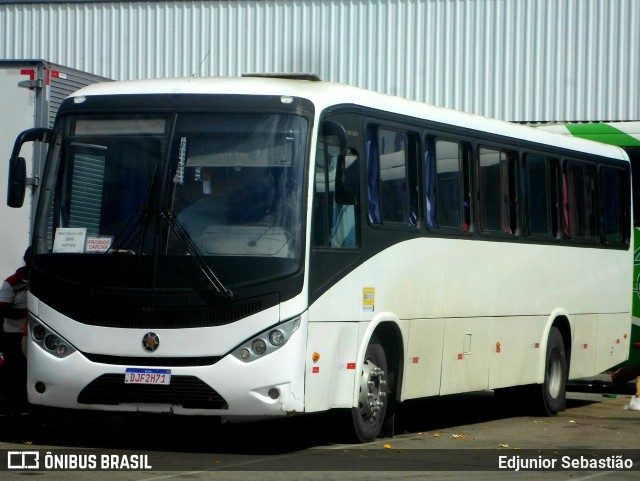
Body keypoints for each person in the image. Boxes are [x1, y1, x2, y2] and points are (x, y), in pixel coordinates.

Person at [0, 246, 30, 412]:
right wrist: (28, 312)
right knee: (15, 368)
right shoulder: (11, 283)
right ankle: (14, 402)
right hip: (14, 333)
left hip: (33, 334)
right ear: (26, 261)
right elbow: (3, 310)